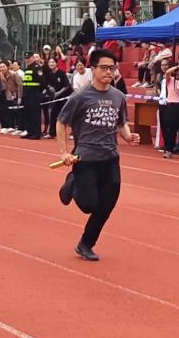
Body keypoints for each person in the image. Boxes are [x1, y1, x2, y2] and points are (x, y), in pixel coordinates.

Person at [56, 47, 141, 261]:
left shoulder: (118, 96)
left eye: (112, 68)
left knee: (107, 204)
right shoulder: (80, 96)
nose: (109, 72)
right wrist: (64, 152)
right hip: (85, 158)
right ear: (93, 69)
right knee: (88, 205)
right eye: (104, 68)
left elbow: (120, 123)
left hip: (110, 158)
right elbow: (61, 122)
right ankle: (72, 182)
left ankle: (86, 244)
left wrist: (128, 136)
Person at [42, 56, 72, 138]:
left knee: (64, 116)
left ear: (56, 63)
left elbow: (66, 86)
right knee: (53, 114)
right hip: (55, 99)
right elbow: (47, 84)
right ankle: (52, 133)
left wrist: (58, 93)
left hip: (64, 97)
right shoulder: (48, 74)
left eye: (53, 62)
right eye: (50, 62)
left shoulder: (61, 73)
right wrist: (49, 89)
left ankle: (68, 133)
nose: (51, 64)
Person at [20, 52, 45, 140]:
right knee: (28, 113)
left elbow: (42, 81)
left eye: (29, 58)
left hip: (34, 94)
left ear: (33, 58)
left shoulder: (37, 68)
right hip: (27, 94)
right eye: (26, 58)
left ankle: (36, 133)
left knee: (35, 114)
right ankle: (30, 131)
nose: (27, 60)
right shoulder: (27, 69)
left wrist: (39, 93)